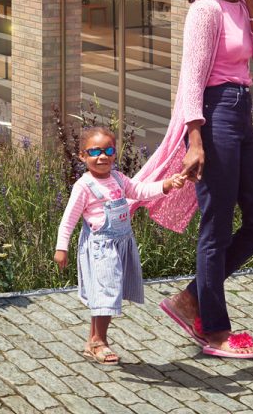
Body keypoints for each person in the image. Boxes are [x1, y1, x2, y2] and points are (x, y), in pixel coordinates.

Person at [140, 0, 253, 358]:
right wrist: (194, 139)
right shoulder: (205, 10)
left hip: (240, 114)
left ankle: (190, 299)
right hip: (214, 114)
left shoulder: (240, 6)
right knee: (216, 226)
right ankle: (214, 331)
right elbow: (191, 81)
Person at [54, 126, 186, 364]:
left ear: (115, 154)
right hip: (101, 248)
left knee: (104, 294)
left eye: (108, 150)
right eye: (94, 151)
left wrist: (166, 185)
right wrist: (61, 248)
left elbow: (141, 191)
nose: (102, 156)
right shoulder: (84, 186)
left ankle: (92, 341)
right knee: (107, 294)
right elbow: (69, 219)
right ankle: (100, 342)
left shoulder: (118, 178)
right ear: (82, 156)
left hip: (121, 244)